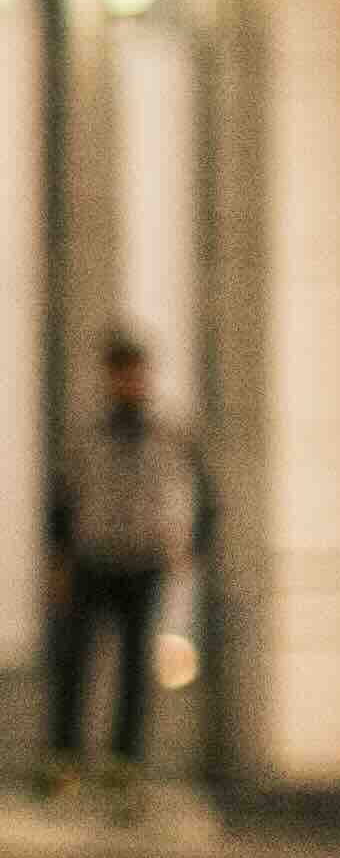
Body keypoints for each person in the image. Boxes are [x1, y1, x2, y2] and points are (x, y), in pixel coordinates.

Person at [43, 326, 193, 793]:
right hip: (93, 558)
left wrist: (188, 544)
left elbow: (197, 492)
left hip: (144, 561)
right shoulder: (86, 433)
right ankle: (65, 757)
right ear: (109, 376)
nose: (130, 383)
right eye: (122, 374)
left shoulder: (168, 433)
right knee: (76, 660)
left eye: (136, 374)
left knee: (135, 666)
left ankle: (125, 762)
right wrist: (59, 561)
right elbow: (63, 500)